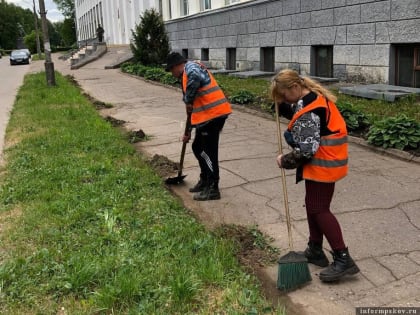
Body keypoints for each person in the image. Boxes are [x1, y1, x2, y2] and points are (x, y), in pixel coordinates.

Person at [270, 69, 359, 282]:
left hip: (323, 165)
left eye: (283, 95)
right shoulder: (310, 98)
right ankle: (315, 250)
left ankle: (343, 258)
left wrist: (286, 160)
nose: (283, 99)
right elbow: (300, 114)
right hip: (323, 164)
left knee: (319, 208)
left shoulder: (310, 111)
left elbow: (307, 149)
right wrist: (284, 107)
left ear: (294, 87)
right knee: (312, 206)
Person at [165, 52, 232, 201]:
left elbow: (194, 82)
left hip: (214, 115)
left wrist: (188, 99)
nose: (172, 74)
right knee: (197, 147)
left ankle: (213, 187)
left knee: (207, 151)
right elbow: (192, 109)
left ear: (177, 65)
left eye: (171, 70)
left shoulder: (191, 68)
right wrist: (188, 131)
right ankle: (205, 180)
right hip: (207, 117)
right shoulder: (185, 75)